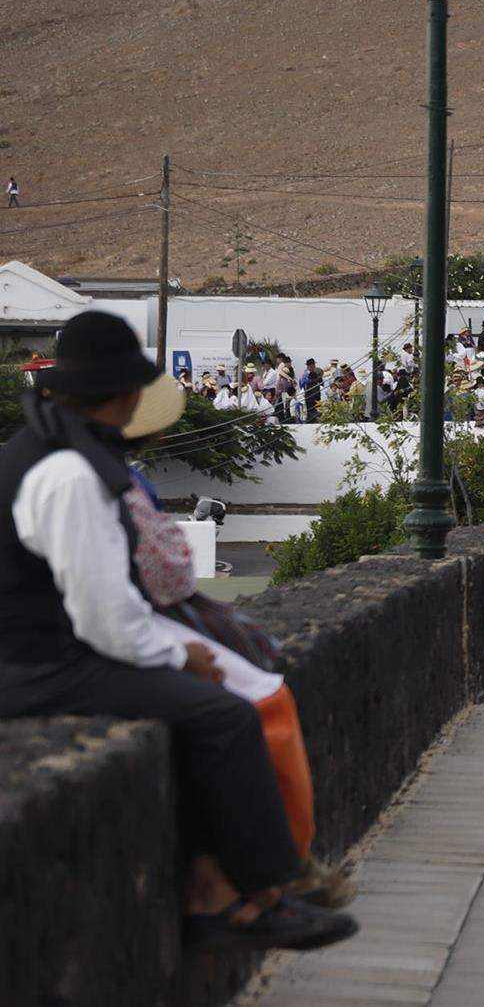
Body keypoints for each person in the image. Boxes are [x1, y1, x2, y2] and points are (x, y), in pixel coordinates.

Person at [0, 312, 356, 951]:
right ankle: (255, 896)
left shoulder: (39, 453)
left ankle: (234, 885)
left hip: (30, 654)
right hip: (41, 666)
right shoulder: (72, 475)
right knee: (226, 718)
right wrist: (180, 653)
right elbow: (105, 617)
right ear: (127, 394)